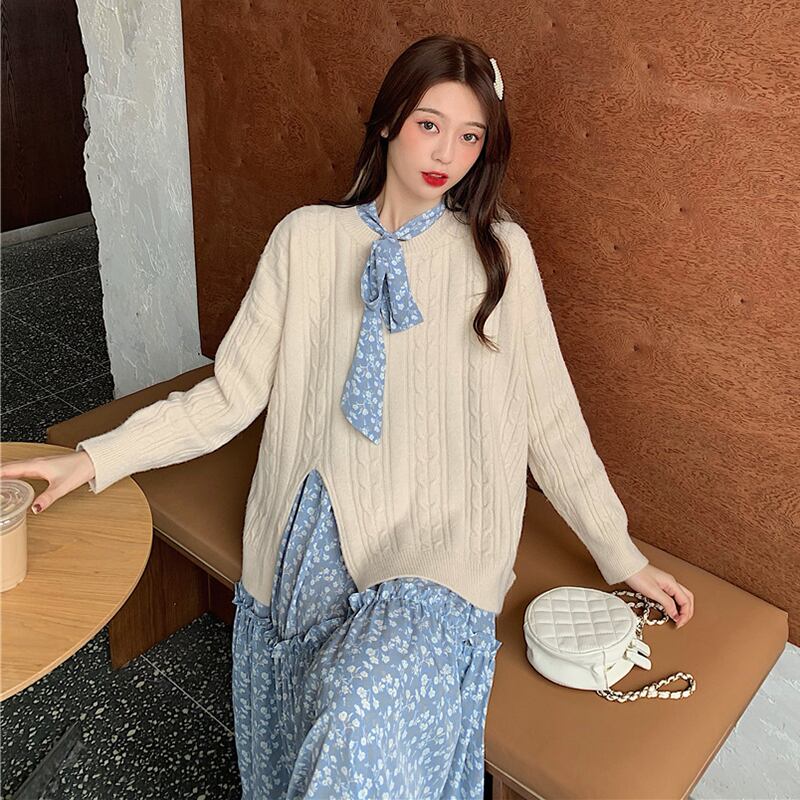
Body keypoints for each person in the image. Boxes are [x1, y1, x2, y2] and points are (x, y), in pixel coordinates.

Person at [1, 33, 694, 799]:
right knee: (321, 724)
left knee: (358, 704)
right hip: (315, 526)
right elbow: (229, 396)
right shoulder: (306, 239)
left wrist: (619, 553)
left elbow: (552, 421)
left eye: (470, 136)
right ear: (391, 120)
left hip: (445, 542)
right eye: (430, 124)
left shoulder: (502, 257)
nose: (448, 153)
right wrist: (93, 458)